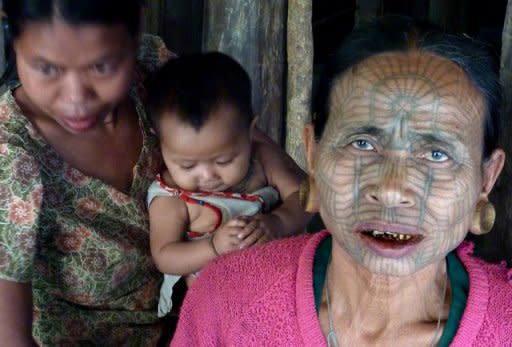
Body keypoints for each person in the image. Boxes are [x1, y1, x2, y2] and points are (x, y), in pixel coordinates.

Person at [171, 16, 512, 346]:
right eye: (363, 144)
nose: (391, 190)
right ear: (314, 155)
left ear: (485, 178)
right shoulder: (229, 298)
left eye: (437, 154)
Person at [0, 1, 306, 345]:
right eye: (46, 68)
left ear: (136, 32)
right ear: (12, 35)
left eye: (101, 66)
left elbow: (265, 159)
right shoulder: (10, 155)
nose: (75, 99)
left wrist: (274, 220)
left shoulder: (154, 73)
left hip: (211, 324)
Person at [146, 52, 310, 317]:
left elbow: (306, 195)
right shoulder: (171, 197)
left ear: (249, 130)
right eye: (187, 166)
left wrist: (278, 222)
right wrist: (213, 248)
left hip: (282, 287)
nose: (208, 176)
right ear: (161, 143)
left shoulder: (262, 160)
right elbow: (165, 255)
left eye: (224, 160)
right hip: (217, 310)